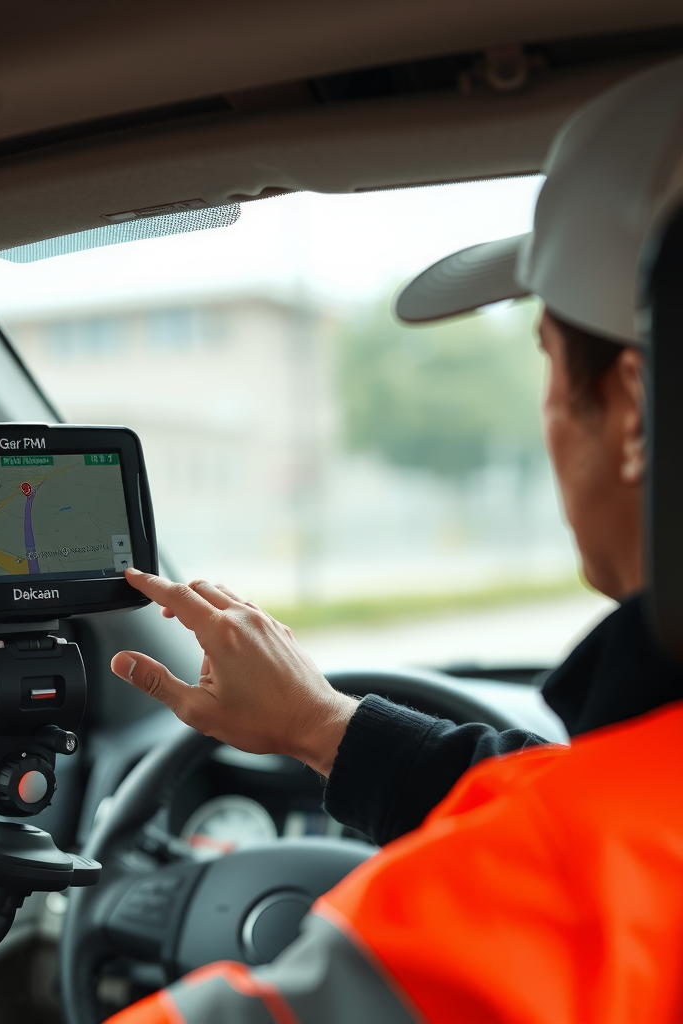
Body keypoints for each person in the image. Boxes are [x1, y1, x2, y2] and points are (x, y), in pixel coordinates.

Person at [103, 56, 683, 1023]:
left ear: (630, 411)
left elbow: (599, 832)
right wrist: (319, 725)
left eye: (547, 360)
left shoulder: (545, 891)